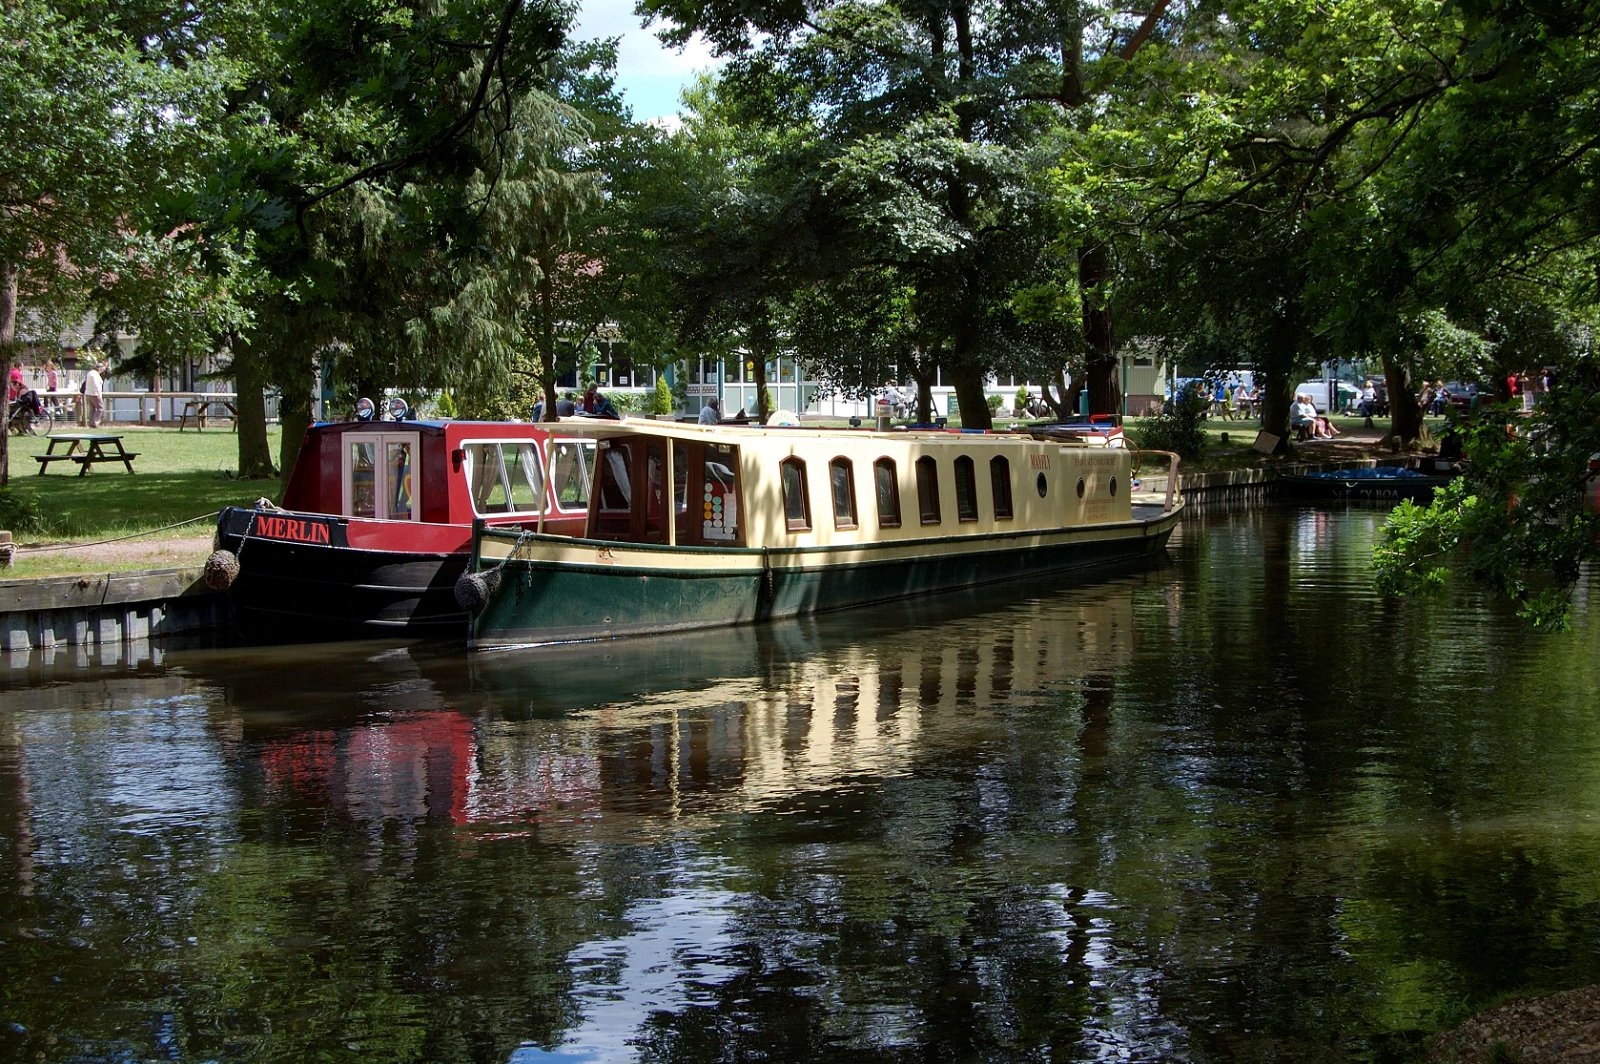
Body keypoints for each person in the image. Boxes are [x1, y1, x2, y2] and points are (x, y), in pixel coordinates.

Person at [83, 360, 105, 427]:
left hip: (88, 393)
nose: (102, 370)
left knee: (92, 409)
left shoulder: (90, 373)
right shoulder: (95, 374)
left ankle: (91, 423)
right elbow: (96, 385)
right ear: (98, 368)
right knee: (100, 408)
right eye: (101, 368)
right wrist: (99, 394)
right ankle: (95, 422)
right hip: (94, 393)